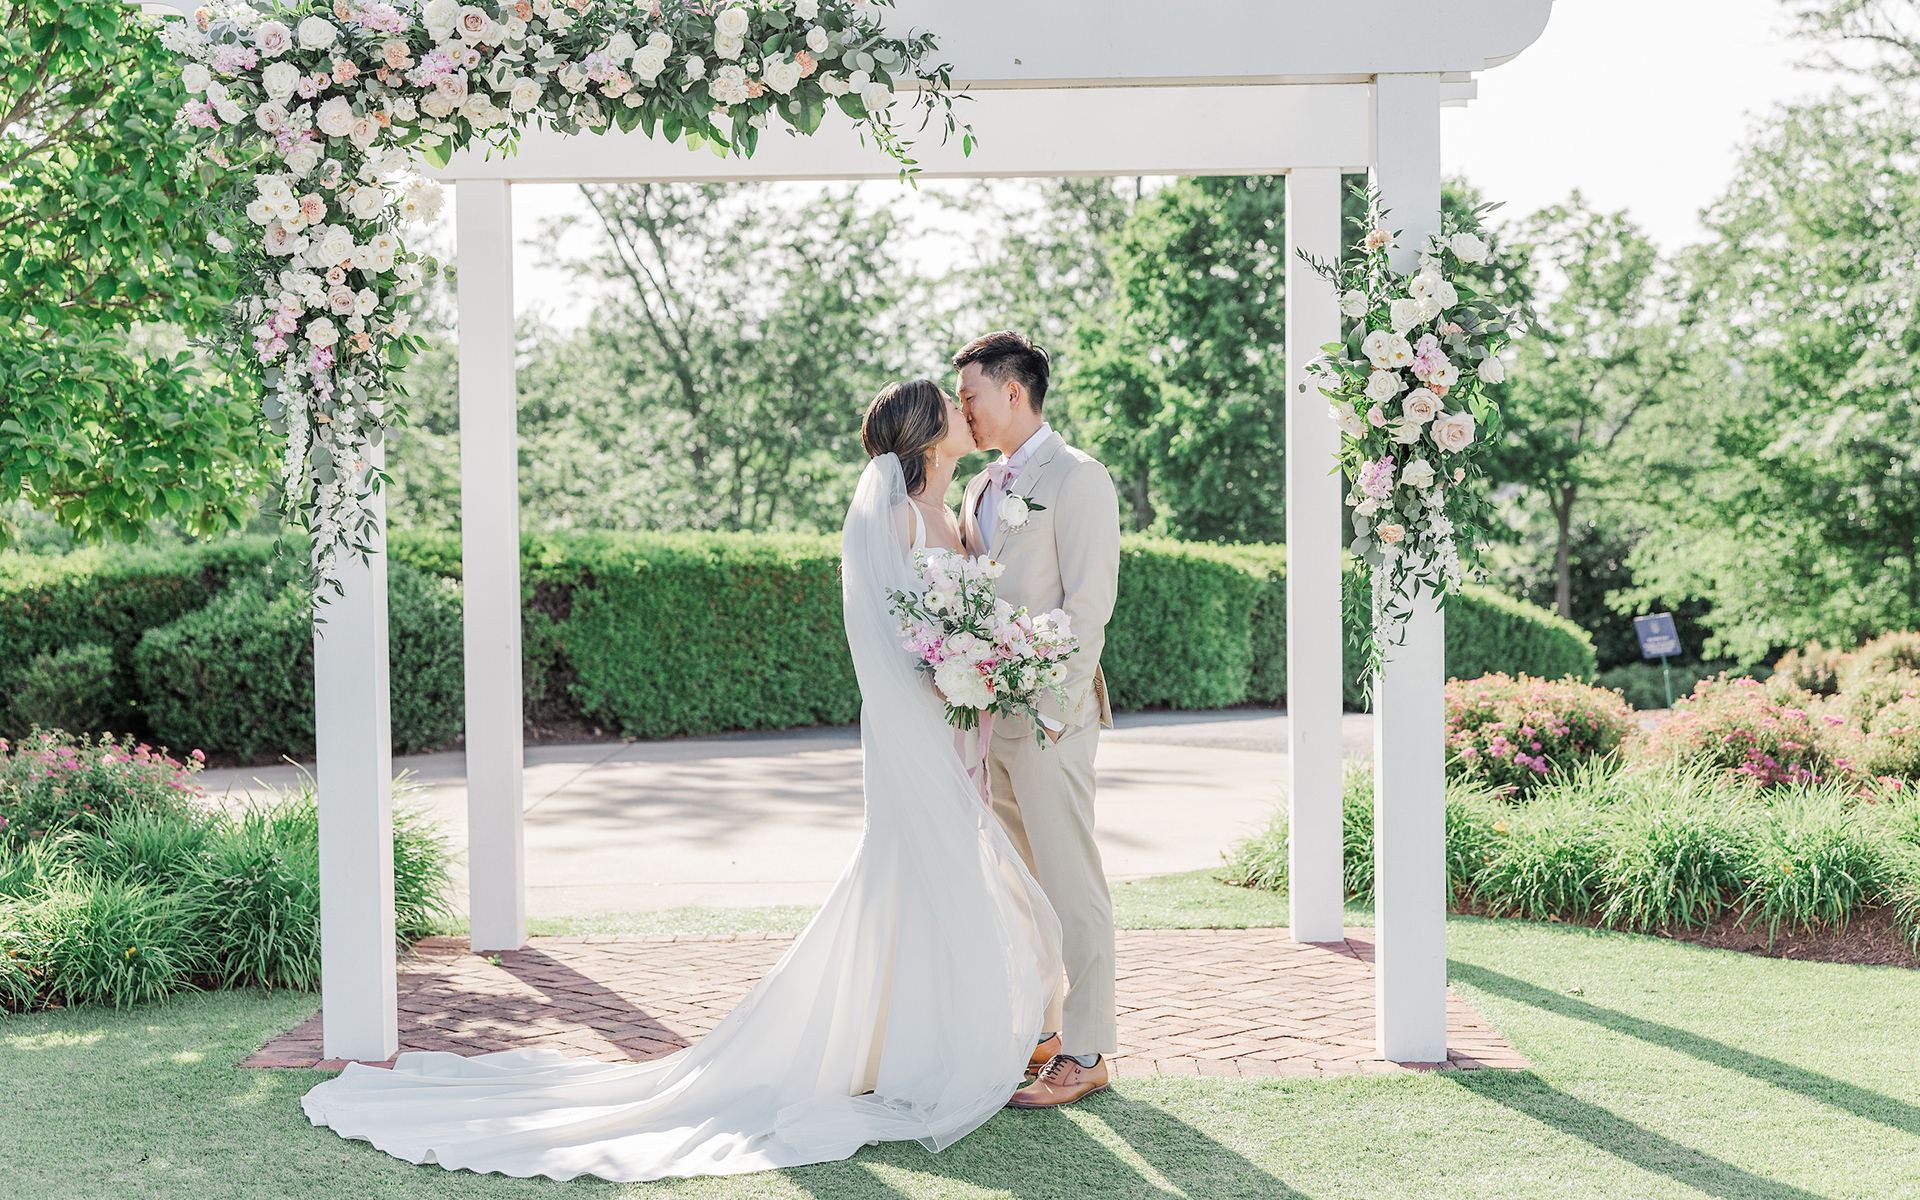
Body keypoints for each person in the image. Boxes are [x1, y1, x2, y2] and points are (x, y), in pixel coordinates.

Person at [300, 379, 1063, 1183]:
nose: (961, 409)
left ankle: (922, 1043)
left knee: (942, 873)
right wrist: (943, 682)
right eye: (949, 402)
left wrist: (978, 666)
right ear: (927, 432)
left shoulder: (957, 514)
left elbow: (953, 619)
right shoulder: (897, 516)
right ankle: (914, 1058)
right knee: (919, 867)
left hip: (955, 720)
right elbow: (885, 639)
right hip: (915, 726)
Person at [954, 331, 1123, 1108]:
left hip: (1052, 718)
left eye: (971, 396)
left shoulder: (1079, 477)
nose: (963, 410)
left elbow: (1088, 608)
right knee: (1021, 890)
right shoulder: (978, 489)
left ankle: (1087, 1052)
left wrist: (1052, 713)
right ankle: (1044, 1031)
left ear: (1012, 391)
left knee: (1071, 884)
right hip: (993, 720)